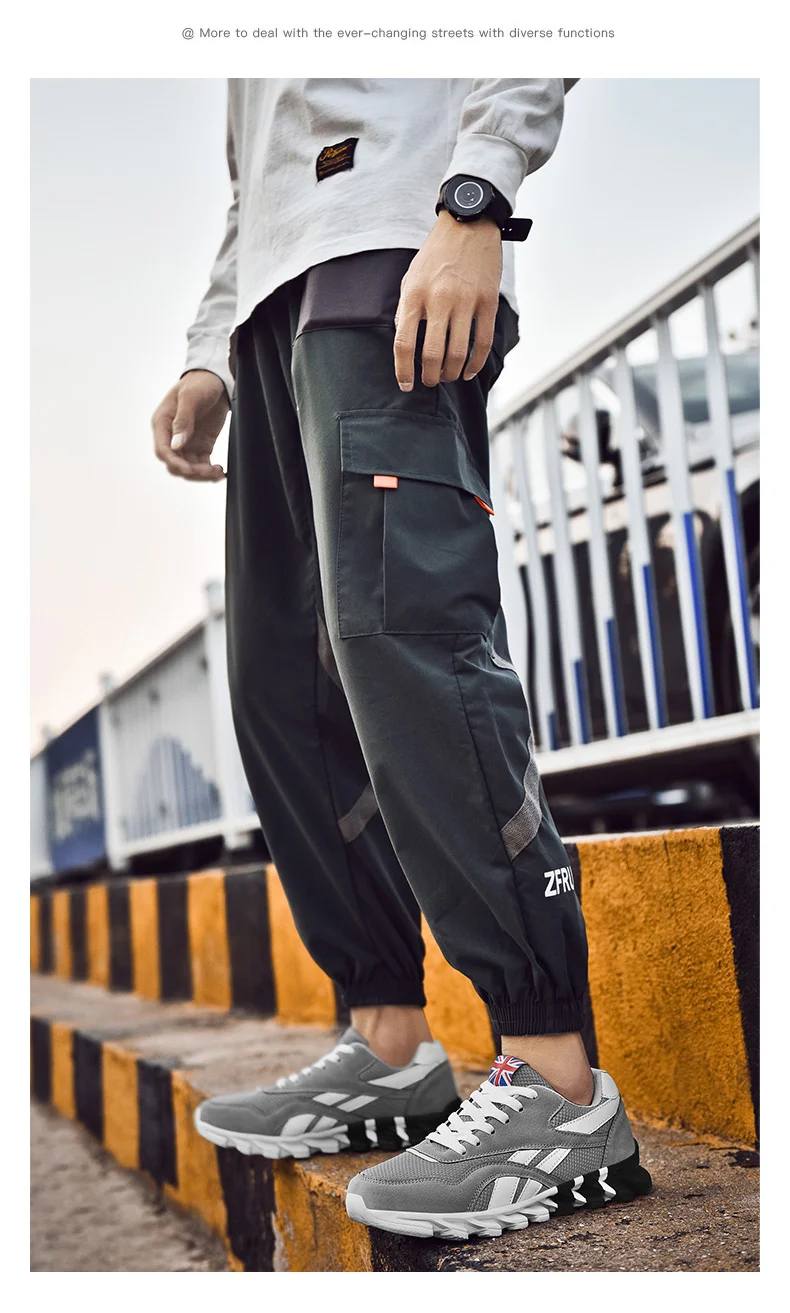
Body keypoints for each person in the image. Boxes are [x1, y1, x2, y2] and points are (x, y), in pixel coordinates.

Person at [152, 79, 651, 1240]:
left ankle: (557, 1077)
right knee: (285, 688)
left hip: (393, 245)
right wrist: (210, 350)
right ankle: (388, 1047)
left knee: (408, 643)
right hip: (269, 309)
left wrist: (474, 200)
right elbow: (253, 180)